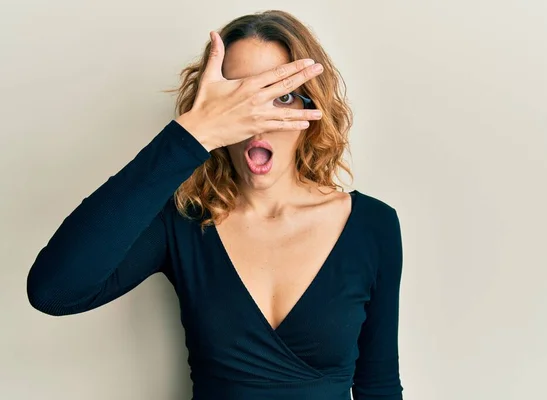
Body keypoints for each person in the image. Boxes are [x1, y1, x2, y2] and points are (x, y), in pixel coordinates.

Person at [26, 10, 404, 400]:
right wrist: (191, 135)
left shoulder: (373, 225)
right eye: (237, 97)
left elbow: (379, 386)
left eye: (283, 96)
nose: (257, 119)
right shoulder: (182, 221)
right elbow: (55, 291)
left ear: (310, 109)